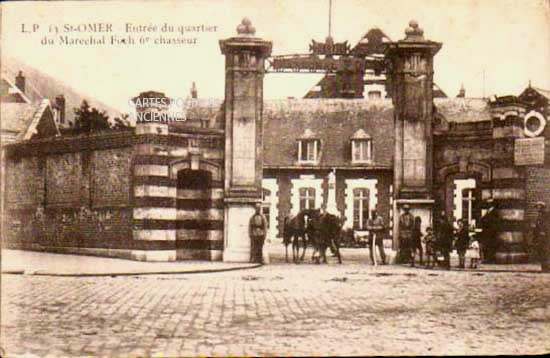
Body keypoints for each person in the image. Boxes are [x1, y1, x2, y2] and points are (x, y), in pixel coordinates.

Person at [479, 199, 498, 263]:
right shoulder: (488, 211)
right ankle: (487, 259)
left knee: (490, 246)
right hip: (486, 232)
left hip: (490, 233)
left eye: (489, 203)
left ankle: (490, 259)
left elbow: (493, 222)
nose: (488, 204)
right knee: (486, 246)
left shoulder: (494, 212)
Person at [532, 201, 550, 272]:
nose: (538, 208)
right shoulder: (539, 216)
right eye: (537, 207)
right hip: (539, 237)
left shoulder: (546, 215)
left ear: (543, 207)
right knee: (542, 252)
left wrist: (544, 232)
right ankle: (544, 268)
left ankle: (547, 268)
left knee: (546, 252)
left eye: (539, 207)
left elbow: (547, 225)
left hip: (545, 238)